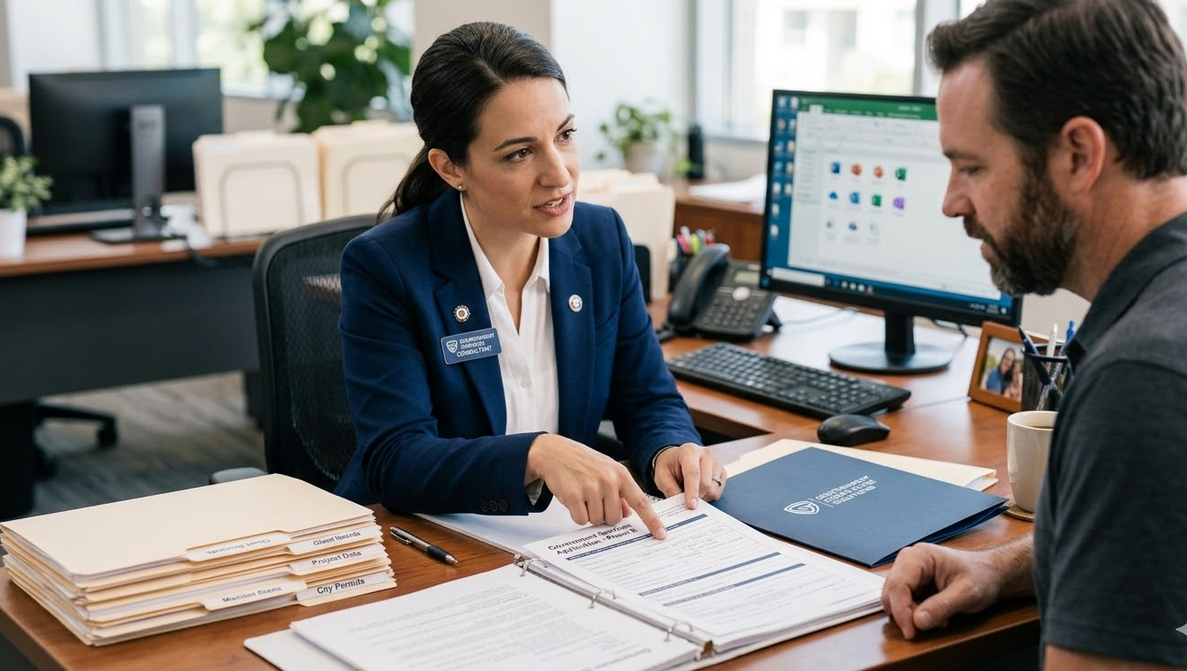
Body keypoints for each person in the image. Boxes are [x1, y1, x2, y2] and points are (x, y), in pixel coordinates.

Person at [881, 0, 1187, 668]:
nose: (950, 201)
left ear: (1078, 154)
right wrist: (1005, 566)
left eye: (973, 167)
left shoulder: (1139, 382)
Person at [332, 21, 725, 540]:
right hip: (427, 541)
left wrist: (669, 449)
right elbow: (395, 459)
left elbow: (647, 398)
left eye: (564, 136)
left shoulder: (600, 237)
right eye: (520, 153)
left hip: (561, 540)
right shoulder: (385, 265)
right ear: (451, 168)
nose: (559, 174)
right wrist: (537, 453)